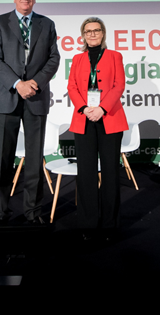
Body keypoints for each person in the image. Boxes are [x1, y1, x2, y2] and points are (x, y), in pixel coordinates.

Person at [0, 0, 60, 224]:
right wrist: (18, 84)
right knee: (3, 160)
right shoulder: (0, 22)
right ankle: (1, 213)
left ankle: (33, 212)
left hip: (36, 98)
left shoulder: (47, 24)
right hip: (7, 98)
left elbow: (53, 59)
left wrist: (34, 83)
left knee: (34, 161)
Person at [67, 17, 128, 238]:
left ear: (103, 33)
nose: (92, 34)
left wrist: (102, 108)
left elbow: (118, 85)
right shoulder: (77, 58)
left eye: (96, 30)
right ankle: (87, 223)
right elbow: (72, 86)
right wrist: (84, 108)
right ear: (83, 35)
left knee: (110, 172)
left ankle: (110, 224)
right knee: (86, 172)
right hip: (84, 118)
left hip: (109, 117)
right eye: (88, 31)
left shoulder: (114, 56)